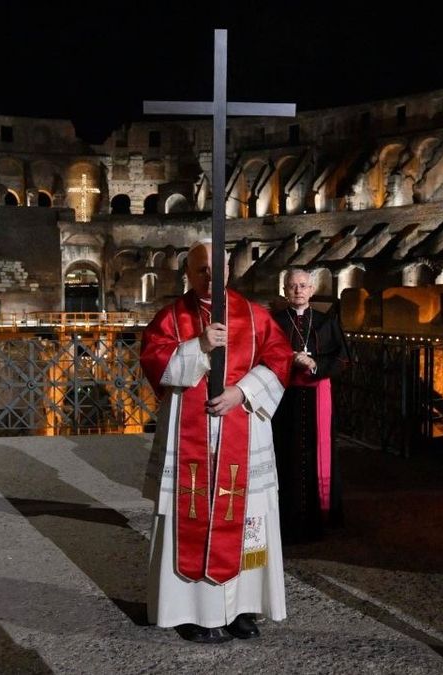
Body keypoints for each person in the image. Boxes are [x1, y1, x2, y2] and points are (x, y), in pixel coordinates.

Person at [140, 241, 293, 644]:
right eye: (201, 269)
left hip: (241, 427)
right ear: (188, 273)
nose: (210, 277)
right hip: (191, 435)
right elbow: (155, 362)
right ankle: (190, 611)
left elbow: (279, 360)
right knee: (190, 516)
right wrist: (200, 346)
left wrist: (242, 393)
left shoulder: (256, 316)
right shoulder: (171, 318)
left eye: (217, 269)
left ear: (229, 270)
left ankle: (241, 607)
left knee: (247, 519)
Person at [270, 268, 350, 543]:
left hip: (318, 396)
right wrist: (289, 360)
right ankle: (286, 518)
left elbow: (343, 359)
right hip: (285, 398)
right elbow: (263, 356)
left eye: (303, 285)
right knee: (286, 453)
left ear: (312, 290)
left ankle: (321, 517)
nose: (298, 290)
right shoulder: (275, 321)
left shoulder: (326, 321)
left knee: (318, 454)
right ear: (285, 290)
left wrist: (316, 364)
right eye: (292, 286)